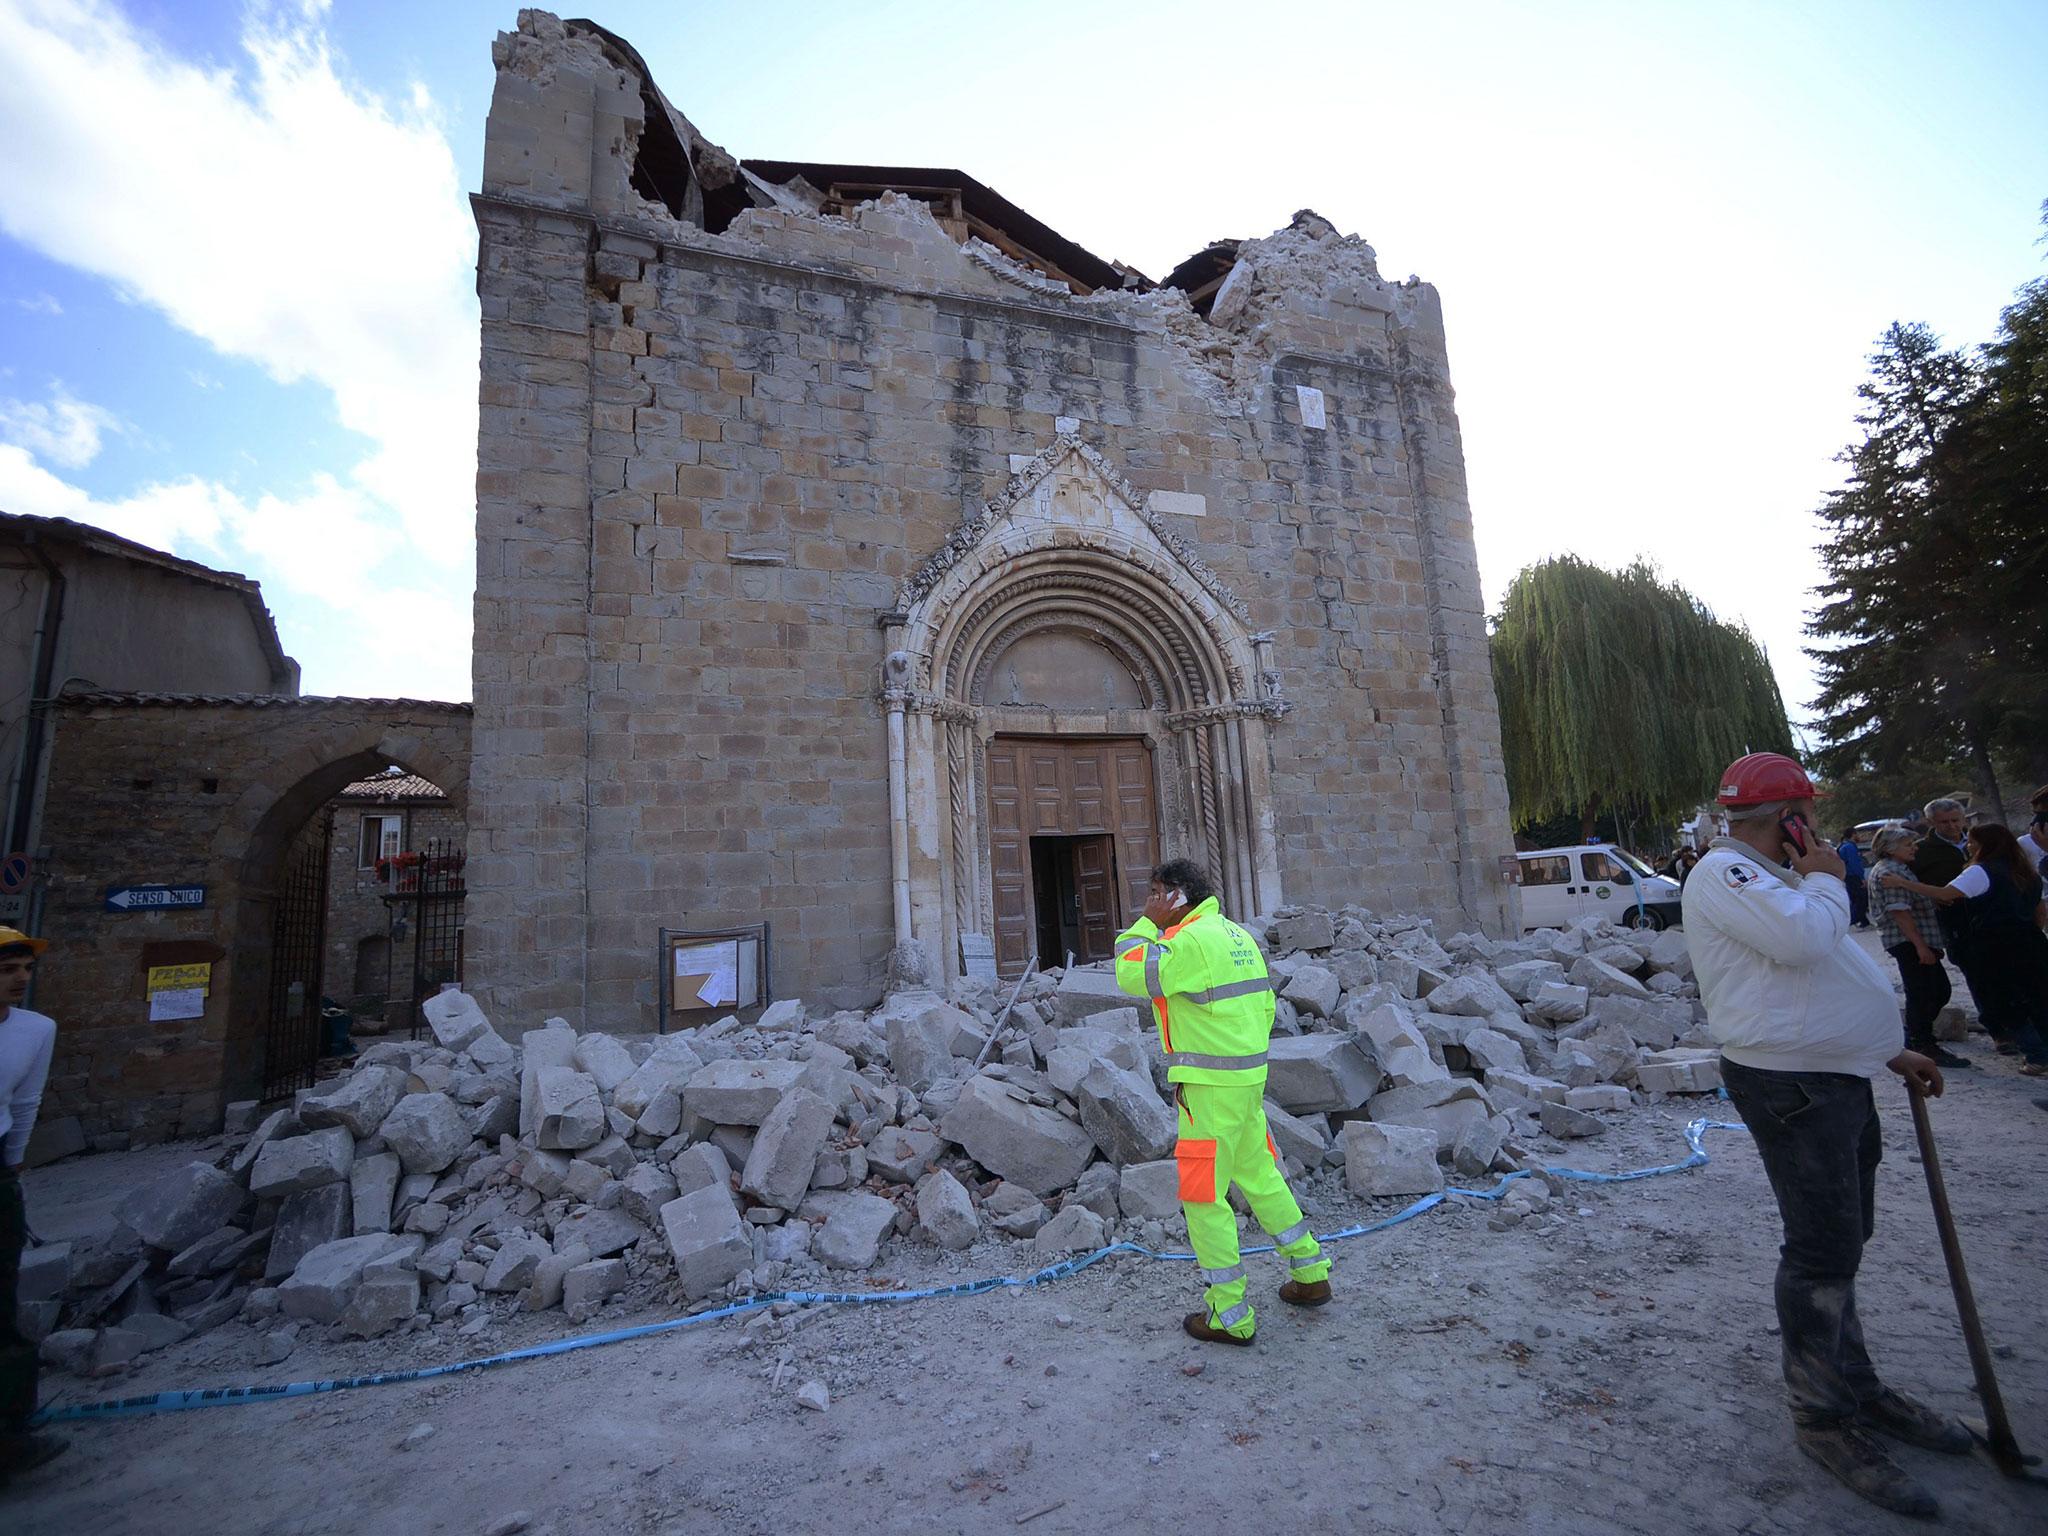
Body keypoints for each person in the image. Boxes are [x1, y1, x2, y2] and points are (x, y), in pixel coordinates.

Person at [1683, 753, 1966, 1518]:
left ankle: (1857, 1387)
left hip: (1834, 1074)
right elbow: (1807, 942)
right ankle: (1823, 1418)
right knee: (1821, 1251)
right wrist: (1825, 875)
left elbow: (1821, 969)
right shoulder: (1727, 873)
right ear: (1791, 817)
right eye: (1809, 815)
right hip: (1793, 1085)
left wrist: (1884, 1048)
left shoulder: (1779, 877)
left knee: (1844, 1240)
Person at [1114, 858, 1330, 1344]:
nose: (1148, 901)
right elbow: (1264, 1005)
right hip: (1247, 1081)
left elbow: (1131, 973)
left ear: (1177, 895)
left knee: (1203, 1196)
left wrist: (1146, 923)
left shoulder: (1189, 941)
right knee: (1260, 1176)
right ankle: (1311, 1273)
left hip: (1210, 1088)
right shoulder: (1236, 935)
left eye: (1155, 893)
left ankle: (1228, 1315)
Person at [0, 927, 62, 1484]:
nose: (20, 979)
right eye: (8, 970)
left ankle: (11, 1430)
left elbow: (26, 1099)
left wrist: (14, 1160)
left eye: (24, 968)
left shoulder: (35, 1030)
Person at [1936, 824, 2048, 1075]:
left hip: (1996, 946)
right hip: (2030, 941)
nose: (1969, 846)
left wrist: (1904, 884)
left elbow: (1944, 894)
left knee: (2003, 1003)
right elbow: (2039, 911)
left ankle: (2037, 1054)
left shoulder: (1981, 871)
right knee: (2039, 999)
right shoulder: (2025, 870)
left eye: (1972, 841)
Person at [1865, 828, 1969, 1068]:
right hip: (1908, 940)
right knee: (1924, 993)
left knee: (1936, 990)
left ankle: (1916, 1036)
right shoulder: (1889, 871)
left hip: (1916, 939)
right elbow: (1899, 912)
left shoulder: (1900, 870)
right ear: (1891, 849)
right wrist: (1920, 945)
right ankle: (1922, 1042)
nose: (1914, 847)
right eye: (1907, 844)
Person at [1837, 827, 1869, 927]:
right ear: (1853, 834)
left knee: (1856, 899)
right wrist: (1861, 877)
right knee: (1862, 898)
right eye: (1857, 834)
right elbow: (1854, 864)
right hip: (1854, 876)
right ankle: (1852, 920)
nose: (1858, 836)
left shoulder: (1843, 846)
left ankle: (1864, 921)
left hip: (1848, 876)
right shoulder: (1849, 847)